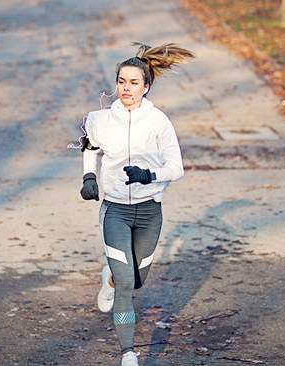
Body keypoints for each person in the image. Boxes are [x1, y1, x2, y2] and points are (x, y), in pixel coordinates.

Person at [79, 43, 193, 366]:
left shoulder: (158, 122)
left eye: (133, 83)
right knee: (128, 283)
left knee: (136, 278)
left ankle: (111, 279)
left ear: (146, 87)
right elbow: (90, 146)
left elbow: (177, 168)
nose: (126, 89)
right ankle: (128, 353)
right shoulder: (102, 120)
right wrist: (89, 177)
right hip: (114, 211)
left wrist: (148, 174)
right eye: (121, 82)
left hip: (149, 212)